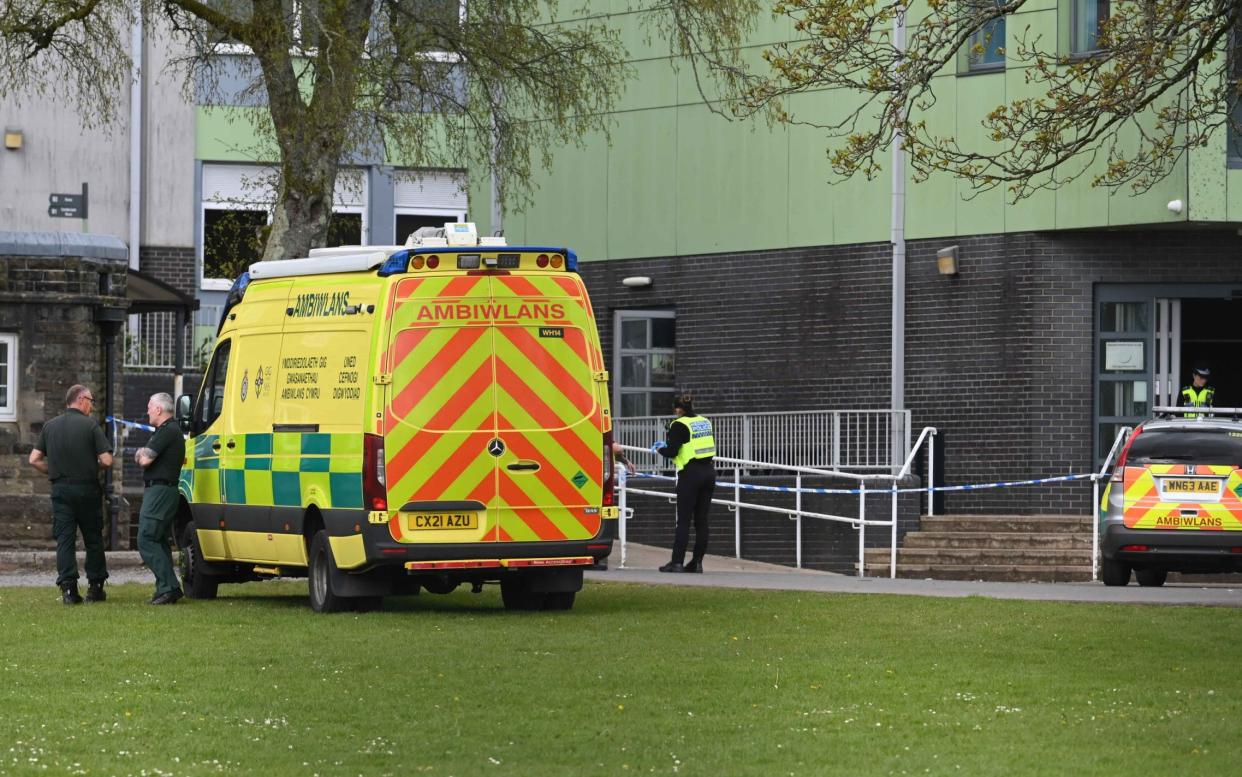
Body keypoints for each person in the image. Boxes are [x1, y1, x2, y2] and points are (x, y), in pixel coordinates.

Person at [27, 384, 113, 604]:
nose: (92, 407)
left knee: (65, 540)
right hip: (87, 490)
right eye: (91, 401)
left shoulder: (50, 426)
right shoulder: (91, 426)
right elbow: (107, 460)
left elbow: (34, 459)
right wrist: (90, 467)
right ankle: (95, 588)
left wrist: (54, 470)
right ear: (82, 399)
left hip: (60, 490)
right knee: (93, 539)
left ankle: (68, 591)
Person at [650, 393, 716, 573]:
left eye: (674, 409)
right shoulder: (705, 421)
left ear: (678, 409)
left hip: (691, 473)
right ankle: (697, 563)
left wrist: (659, 448)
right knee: (702, 521)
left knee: (684, 521)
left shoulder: (678, 424)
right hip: (709, 472)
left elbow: (672, 452)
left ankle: (677, 562)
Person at [134, 392, 186, 605]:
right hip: (162, 490)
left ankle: (168, 587)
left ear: (158, 409)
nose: (147, 410)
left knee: (146, 539)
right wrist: (143, 453)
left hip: (160, 492)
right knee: (158, 540)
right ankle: (167, 588)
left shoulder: (167, 431)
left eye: (149, 406)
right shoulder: (167, 431)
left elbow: (144, 458)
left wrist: (140, 454)